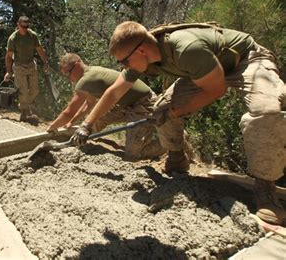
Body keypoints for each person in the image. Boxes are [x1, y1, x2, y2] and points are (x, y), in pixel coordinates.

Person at [71, 21, 286, 225]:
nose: (123, 66)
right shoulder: (142, 55)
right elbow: (114, 91)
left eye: (124, 61)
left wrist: (176, 112)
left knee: (265, 112)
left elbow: (216, 89)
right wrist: (87, 125)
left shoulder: (186, 49)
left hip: (247, 61)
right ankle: (177, 157)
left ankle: (265, 188)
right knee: (159, 111)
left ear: (141, 51)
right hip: (206, 70)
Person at [47, 53, 163, 160]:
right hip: (124, 104)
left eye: (68, 73)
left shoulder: (86, 80)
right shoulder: (91, 73)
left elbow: (69, 112)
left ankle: (167, 144)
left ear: (77, 65)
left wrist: (51, 128)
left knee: (134, 154)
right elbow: (89, 104)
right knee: (95, 123)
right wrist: (72, 122)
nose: (69, 78)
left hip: (144, 103)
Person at [4, 16, 50, 122]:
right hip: (19, 66)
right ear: (18, 25)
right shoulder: (13, 38)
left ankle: (25, 105)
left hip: (31, 64)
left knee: (35, 90)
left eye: (27, 26)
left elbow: (39, 49)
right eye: (23, 26)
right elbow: (9, 56)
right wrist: (8, 71)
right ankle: (24, 111)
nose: (25, 28)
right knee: (23, 91)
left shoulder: (32, 35)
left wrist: (45, 63)